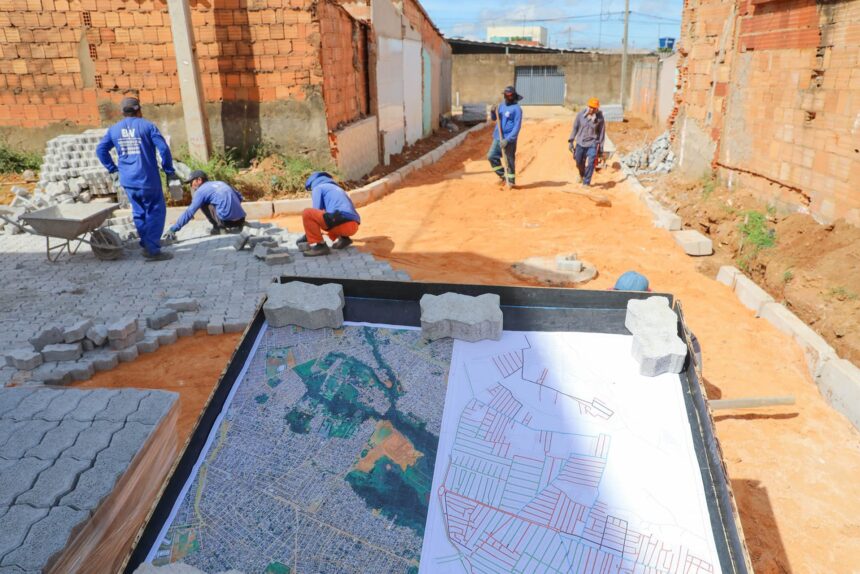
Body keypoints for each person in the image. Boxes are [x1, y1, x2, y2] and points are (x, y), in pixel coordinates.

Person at [96, 96, 178, 261]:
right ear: (139, 110)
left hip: (128, 180)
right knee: (155, 211)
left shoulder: (114, 129)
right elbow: (163, 149)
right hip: (148, 179)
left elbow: (100, 150)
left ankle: (147, 244)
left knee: (139, 212)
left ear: (122, 112)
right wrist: (169, 170)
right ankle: (153, 251)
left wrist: (113, 169)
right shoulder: (147, 126)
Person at [162, 170, 246, 240]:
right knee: (215, 200)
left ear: (199, 180)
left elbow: (189, 212)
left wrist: (173, 229)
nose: (191, 186)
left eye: (191, 182)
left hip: (226, 222)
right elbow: (239, 197)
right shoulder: (220, 183)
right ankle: (238, 224)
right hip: (241, 219)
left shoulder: (201, 191)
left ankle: (219, 228)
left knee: (203, 204)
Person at [299, 172, 361, 257]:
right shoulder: (336, 188)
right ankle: (344, 239)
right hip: (354, 226)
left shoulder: (318, 188)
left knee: (307, 213)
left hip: (341, 223)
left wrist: (308, 236)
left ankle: (320, 246)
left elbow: (316, 211)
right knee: (329, 215)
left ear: (312, 184)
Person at [488, 86, 523, 187]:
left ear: (514, 96)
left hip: (509, 140)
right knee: (491, 156)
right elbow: (494, 118)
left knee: (509, 160)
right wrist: (492, 112)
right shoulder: (501, 106)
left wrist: (508, 140)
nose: (507, 97)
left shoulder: (517, 109)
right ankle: (504, 176)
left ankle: (511, 181)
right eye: (506, 95)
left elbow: (517, 127)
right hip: (498, 137)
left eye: (509, 95)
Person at [568, 97, 606, 187]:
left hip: (592, 143)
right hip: (580, 142)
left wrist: (601, 148)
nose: (592, 109)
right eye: (591, 107)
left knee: (591, 162)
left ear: (597, 108)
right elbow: (575, 128)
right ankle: (582, 175)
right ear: (588, 106)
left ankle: (586, 182)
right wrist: (571, 141)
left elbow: (602, 133)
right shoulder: (580, 115)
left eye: (594, 108)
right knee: (578, 161)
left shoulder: (600, 118)